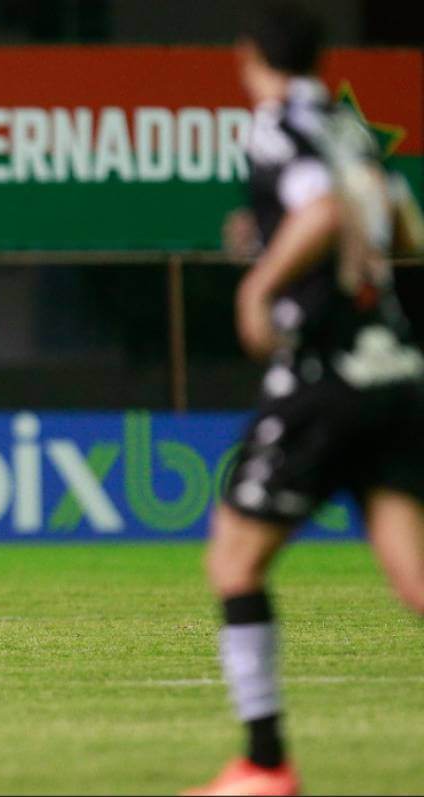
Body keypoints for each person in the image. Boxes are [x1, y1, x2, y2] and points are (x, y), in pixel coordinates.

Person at [186, 4, 424, 795]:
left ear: (247, 53)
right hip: (395, 366)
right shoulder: (348, 125)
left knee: (234, 556)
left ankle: (264, 763)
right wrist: (283, 239)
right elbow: (404, 228)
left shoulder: (272, 123)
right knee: (414, 577)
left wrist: (262, 282)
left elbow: (321, 211)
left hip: (328, 376)